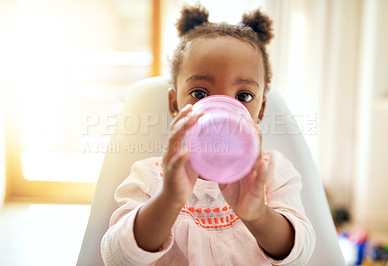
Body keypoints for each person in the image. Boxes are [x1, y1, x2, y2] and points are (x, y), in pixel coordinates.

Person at [101, 5, 315, 265]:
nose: (221, 111)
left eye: (243, 96)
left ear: (260, 110)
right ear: (173, 103)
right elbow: (115, 257)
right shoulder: (152, 176)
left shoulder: (271, 173)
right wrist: (168, 198)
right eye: (201, 94)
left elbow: (301, 255)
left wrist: (258, 214)